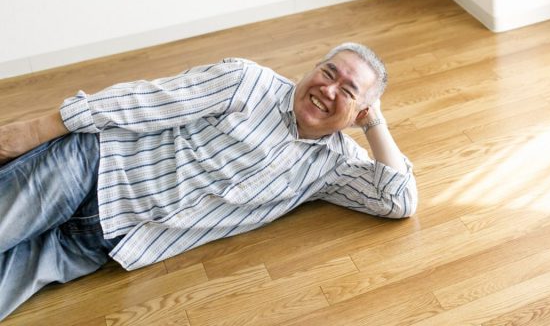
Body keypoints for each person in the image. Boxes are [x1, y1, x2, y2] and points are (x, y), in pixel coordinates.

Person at [0, 42, 417, 319]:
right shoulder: (246, 82)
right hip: (90, 167)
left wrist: (376, 124)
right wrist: (39, 128)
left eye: (348, 91)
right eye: (328, 72)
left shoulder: (332, 165)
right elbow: (146, 100)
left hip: (100, 245)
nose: (328, 90)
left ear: (361, 111)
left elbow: (398, 200)